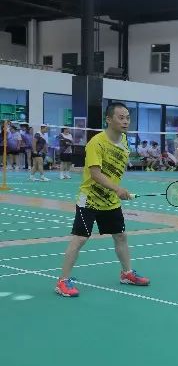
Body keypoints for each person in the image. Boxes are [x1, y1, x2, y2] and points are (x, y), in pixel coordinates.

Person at [55, 103, 149, 297]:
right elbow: (95, 174)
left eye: (127, 117)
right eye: (121, 117)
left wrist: (116, 190)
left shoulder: (124, 141)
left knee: (120, 236)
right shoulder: (96, 143)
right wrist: (117, 189)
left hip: (110, 200)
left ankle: (127, 273)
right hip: (90, 199)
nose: (125, 121)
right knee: (80, 238)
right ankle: (62, 282)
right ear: (108, 119)